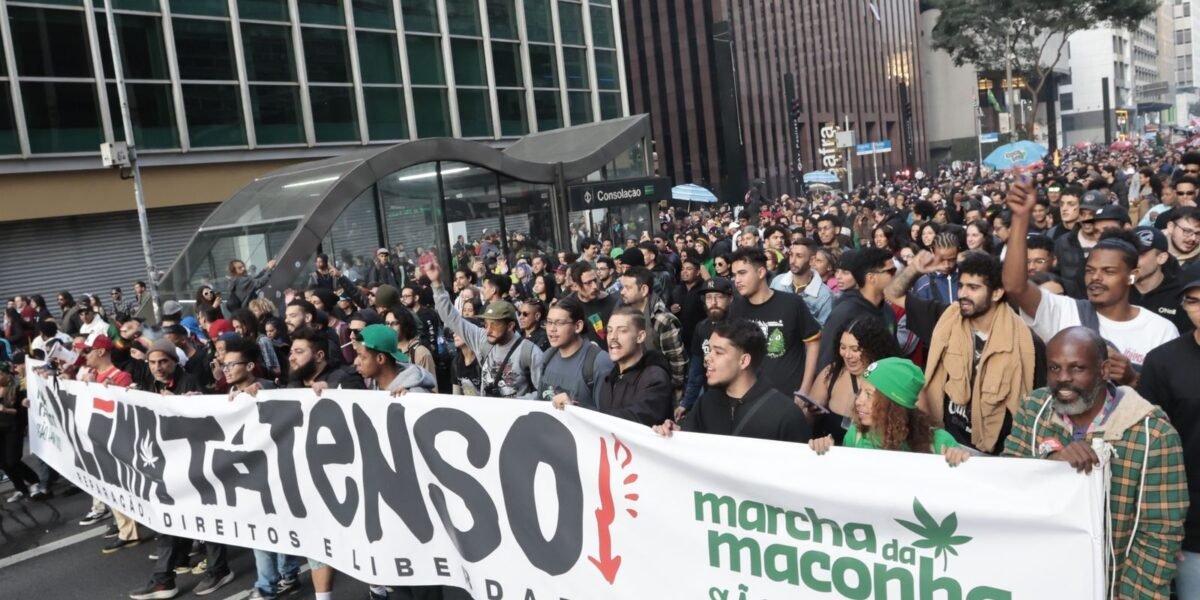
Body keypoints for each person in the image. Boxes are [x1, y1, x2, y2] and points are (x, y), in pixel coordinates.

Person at [1003, 327, 1186, 598]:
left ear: (1103, 370)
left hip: (1111, 586)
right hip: (1037, 581)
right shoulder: (1034, 409)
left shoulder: (1153, 435)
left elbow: (1159, 537)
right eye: (1054, 368)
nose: (1063, 378)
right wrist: (1050, 463)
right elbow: (1008, 481)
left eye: (1077, 368)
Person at [1005, 179, 1178, 375]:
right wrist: (1020, 217)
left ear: (1132, 276)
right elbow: (1015, 287)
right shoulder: (1065, 312)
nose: (1096, 277)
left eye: (1108, 271)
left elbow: (1169, 390)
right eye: (1090, 270)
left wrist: (1132, 378)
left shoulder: (1160, 330)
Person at [892, 250, 1044, 455]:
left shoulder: (1027, 344)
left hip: (997, 456)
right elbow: (892, 293)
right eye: (961, 285)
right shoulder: (945, 320)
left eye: (973, 288)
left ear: (997, 293)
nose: (963, 294)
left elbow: (1038, 408)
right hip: (946, 445)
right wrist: (914, 269)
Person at [1138, 273, 1200, 595]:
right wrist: (1162, 527)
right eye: (1194, 301)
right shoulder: (1163, 361)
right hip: (1189, 523)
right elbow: (1148, 446)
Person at [653, 319, 810, 442]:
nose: (707, 358)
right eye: (709, 350)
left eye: (718, 352)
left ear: (744, 361)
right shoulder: (706, 403)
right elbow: (690, 441)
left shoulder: (786, 416)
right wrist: (673, 432)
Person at [808, 357, 969, 465]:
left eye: (869, 394)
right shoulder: (856, 435)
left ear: (894, 406)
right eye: (860, 392)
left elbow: (965, 490)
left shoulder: (940, 443)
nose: (858, 401)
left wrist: (961, 462)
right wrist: (825, 454)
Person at [428, 260, 543, 399]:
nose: (488, 330)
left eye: (494, 325)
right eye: (486, 324)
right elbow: (451, 317)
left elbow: (544, 392)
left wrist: (516, 403)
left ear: (510, 326)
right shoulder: (482, 340)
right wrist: (437, 284)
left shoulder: (529, 352)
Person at [727, 248, 821, 397]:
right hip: (750, 397)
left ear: (760, 272)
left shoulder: (792, 303)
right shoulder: (736, 308)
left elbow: (813, 343)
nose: (737, 280)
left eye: (742, 273)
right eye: (734, 275)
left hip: (788, 397)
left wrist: (804, 390)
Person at [570, 307, 671, 425]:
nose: (613, 337)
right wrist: (571, 407)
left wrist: (579, 411)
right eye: (609, 331)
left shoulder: (655, 378)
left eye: (622, 331)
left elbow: (635, 419)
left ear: (640, 337)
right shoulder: (609, 378)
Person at [805, 316, 900, 443]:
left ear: (873, 349)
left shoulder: (893, 379)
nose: (847, 355)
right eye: (843, 347)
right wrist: (811, 411)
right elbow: (806, 421)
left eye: (855, 349)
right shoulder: (832, 373)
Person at [818, 248, 897, 370]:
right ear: (871, 277)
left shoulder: (888, 312)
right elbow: (826, 362)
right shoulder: (845, 313)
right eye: (891, 271)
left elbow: (893, 355)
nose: (896, 276)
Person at [618, 267, 686, 397]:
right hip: (633, 386)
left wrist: (675, 389)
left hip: (659, 388)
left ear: (644, 290)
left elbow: (677, 360)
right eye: (622, 287)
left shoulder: (662, 320)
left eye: (628, 288)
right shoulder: (624, 314)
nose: (622, 292)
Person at [540, 298, 614, 409]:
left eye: (559, 323)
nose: (551, 329)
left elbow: (608, 414)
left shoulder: (599, 362)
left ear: (578, 326)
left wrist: (573, 408)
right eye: (549, 322)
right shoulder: (547, 356)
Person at [680, 278, 733, 417]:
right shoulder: (701, 327)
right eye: (709, 298)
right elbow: (696, 371)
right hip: (710, 396)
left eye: (719, 297)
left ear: (730, 299)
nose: (713, 302)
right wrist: (686, 403)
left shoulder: (739, 327)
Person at [0, 361, 45, 503]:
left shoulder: (17, 388)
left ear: (7, 375)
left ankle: (34, 481)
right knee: (2, 463)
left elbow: (21, 411)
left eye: (0, 374)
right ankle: (20, 488)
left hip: (13, 427)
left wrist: (6, 410)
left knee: (12, 460)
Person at [769, 237, 834, 325]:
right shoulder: (777, 282)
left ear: (812, 260)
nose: (792, 261)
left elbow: (824, 329)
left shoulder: (824, 295)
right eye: (791, 255)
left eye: (799, 256)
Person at [564, 262, 619, 350]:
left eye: (595, 280)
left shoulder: (613, 303)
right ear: (575, 286)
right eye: (588, 283)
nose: (594, 286)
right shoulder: (567, 306)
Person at [910, 232, 961, 304]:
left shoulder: (967, 277)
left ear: (958, 253)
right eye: (941, 260)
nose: (946, 265)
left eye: (951, 259)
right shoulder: (923, 284)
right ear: (932, 251)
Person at [386, 309, 437, 378]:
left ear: (405, 325)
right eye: (387, 323)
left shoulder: (421, 353)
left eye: (394, 323)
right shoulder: (385, 350)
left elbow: (430, 383)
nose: (389, 327)